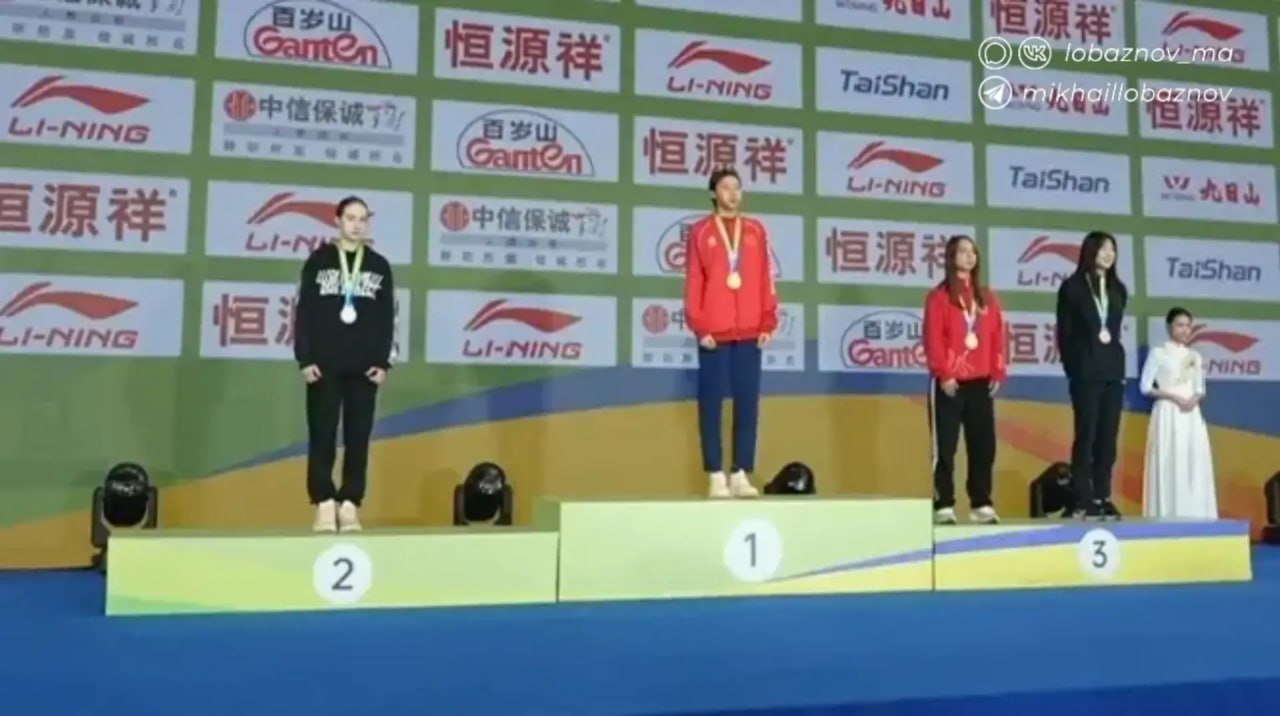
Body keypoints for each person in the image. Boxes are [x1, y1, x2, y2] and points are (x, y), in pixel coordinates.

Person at [294, 196, 395, 532]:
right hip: (324, 365)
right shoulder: (319, 261)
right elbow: (304, 311)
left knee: (358, 437)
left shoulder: (379, 266)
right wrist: (305, 357)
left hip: (364, 367)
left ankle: (350, 502)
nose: (356, 225)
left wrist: (383, 361)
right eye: (350, 218)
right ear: (337, 220)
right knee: (322, 435)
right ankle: (323, 502)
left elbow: (387, 317)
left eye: (362, 219)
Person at [683, 167, 778, 498]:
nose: (733, 193)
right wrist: (699, 325)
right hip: (714, 331)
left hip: (750, 330)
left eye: (737, 187)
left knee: (748, 403)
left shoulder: (755, 230)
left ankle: (740, 472)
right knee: (711, 404)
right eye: (726, 187)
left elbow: (766, 277)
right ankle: (715, 473)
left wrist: (768, 320)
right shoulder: (701, 232)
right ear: (714, 194)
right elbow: (694, 281)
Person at [922, 235, 1007, 525]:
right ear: (951, 257)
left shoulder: (987, 297)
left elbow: (997, 336)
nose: (969, 256)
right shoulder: (939, 297)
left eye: (973, 252)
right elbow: (933, 338)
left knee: (984, 446)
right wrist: (943, 373)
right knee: (945, 447)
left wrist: (997, 371)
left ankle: (981, 503)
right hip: (949, 383)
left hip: (980, 382)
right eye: (962, 251)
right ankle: (943, 504)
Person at [1055, 231, 1127, 520]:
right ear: (1090, 251)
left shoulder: (1118, 289)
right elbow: (1064, 334)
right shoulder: (1072, 288)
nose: (1109, 254)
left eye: (1113, 249)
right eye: (1103, 249)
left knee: (1107, 438)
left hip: (1113, 373)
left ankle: (1102, 495)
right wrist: (1074, 368)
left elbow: (1114, 330)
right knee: (1087, 436)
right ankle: (1082, 498)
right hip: (1085, 374)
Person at [1139, 307, 1217, 519]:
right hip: (1168, 413)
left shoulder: (1195, 356)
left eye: (1188, 326)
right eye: (1179, 325)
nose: (1185, 330)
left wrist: (1192, 400)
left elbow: (1200, 388)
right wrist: (1173, 397)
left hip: (1191, 415)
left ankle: (1195, 513)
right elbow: (1145, 387)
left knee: (1192, 460)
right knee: (1169, 460)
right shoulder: (1158, 353)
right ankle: (1168, 513)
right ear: (1169, 327)